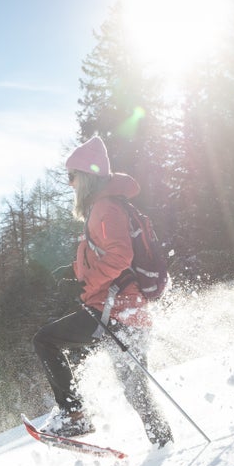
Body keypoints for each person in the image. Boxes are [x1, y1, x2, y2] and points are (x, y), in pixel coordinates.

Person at [32, 136, 173, 447]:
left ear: (85, 178)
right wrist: (76, 272)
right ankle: (164, 445)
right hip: (127, 310)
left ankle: (74, 416)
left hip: (113, 309)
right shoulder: (109, 205)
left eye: (71, 176)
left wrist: (88, 283)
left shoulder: (105, 208)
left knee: (46, 340)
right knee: (137, 391)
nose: (69, 184)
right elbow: (105, 255)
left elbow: (119, 256)